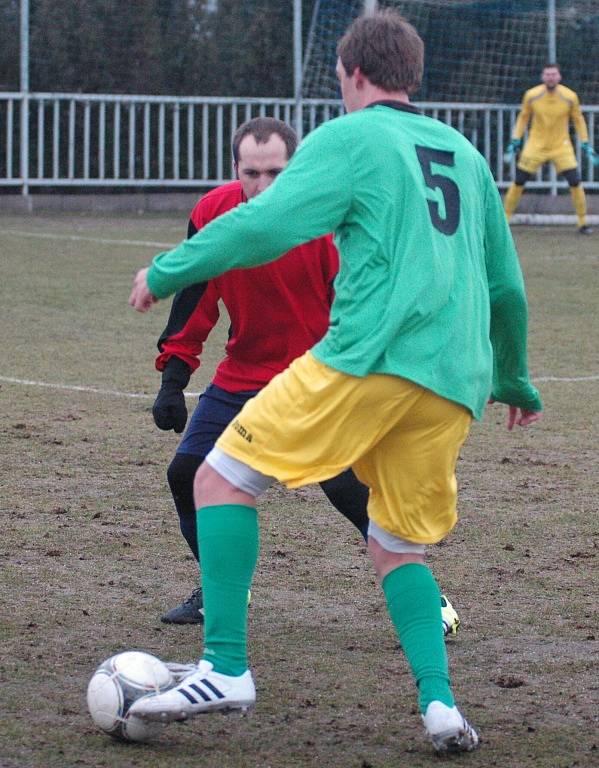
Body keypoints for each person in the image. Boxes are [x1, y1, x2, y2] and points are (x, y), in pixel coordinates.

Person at [129, 10, 543, 754]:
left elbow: (263, 225)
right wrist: (513, 376)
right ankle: (440, 707)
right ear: (412, 74)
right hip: (454, 385)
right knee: (396, 546)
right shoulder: (464, 153)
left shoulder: (350, 137)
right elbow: (506, 288)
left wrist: (165, 270)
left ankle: (224, 668)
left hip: (368, 359)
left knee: (218, 478)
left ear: (348, 74)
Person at [154, 115, 460, 634]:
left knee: (349, 491)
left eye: (276, 174)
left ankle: (427, 601)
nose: (263, 186)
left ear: (296, 170)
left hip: (321, 377)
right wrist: (174, 376)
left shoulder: (328, 226)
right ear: (235, 168)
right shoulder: (212, 213)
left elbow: (364, 308)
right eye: (251, 173)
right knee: (186, 475)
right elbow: (195, 293)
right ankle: (223, 589)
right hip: (244, 374)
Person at [503, 63, 599, 234]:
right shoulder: (532, 95)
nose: (551, 77)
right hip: (536, 145)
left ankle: (583, 223)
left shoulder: (570, 96)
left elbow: (578, 119)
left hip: (561, 146)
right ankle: (504, 220)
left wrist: (585, 143)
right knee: (519, 181)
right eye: (548, 74)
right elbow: (523, 118)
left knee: (575, 181)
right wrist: (515, 140)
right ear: (542, 77)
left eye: (553, 74)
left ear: (559, 77)